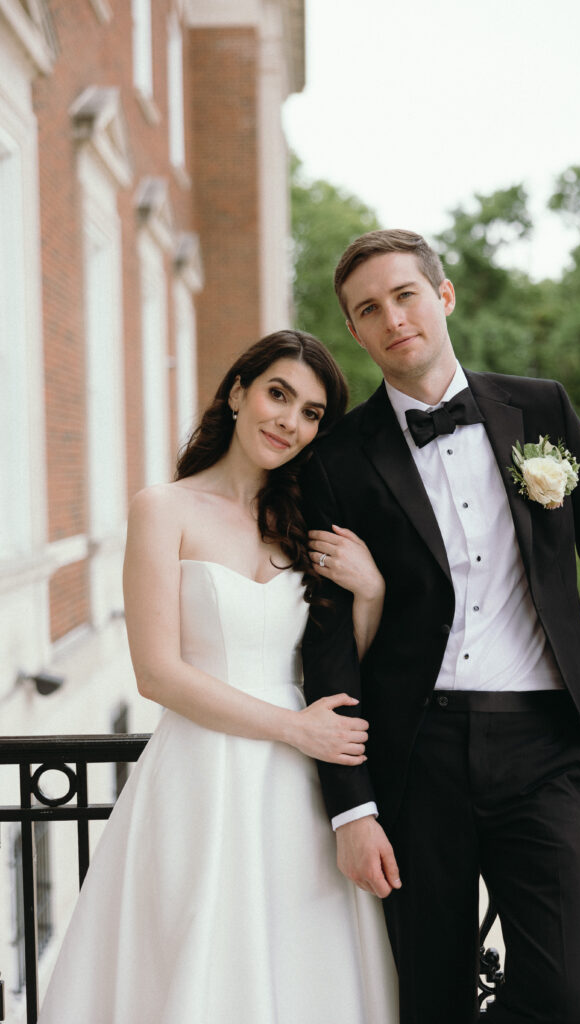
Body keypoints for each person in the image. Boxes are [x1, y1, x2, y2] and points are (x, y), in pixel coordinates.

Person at [301, 230, 580, 1024]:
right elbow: (328, 643)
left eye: (404, 295)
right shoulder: (337, 459)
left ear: (442, 296)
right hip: (415, 753)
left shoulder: (537, 408)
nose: (392, 318)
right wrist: (351, 806)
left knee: (559, 998)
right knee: (431, 999)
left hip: (543, 744)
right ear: (356, 332)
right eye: (368, 309)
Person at [37, 330, 398, 1024]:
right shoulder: (162, 508)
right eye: (277, 394)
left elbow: (332, 659)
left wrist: (371, 592)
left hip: (301, 785)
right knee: (202, 962)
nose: (288, 420)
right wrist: (293, 727)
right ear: (237, 393)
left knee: (303, 967)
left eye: (311, 412)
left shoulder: (302, 521)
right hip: (203, 773)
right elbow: (158, 674)